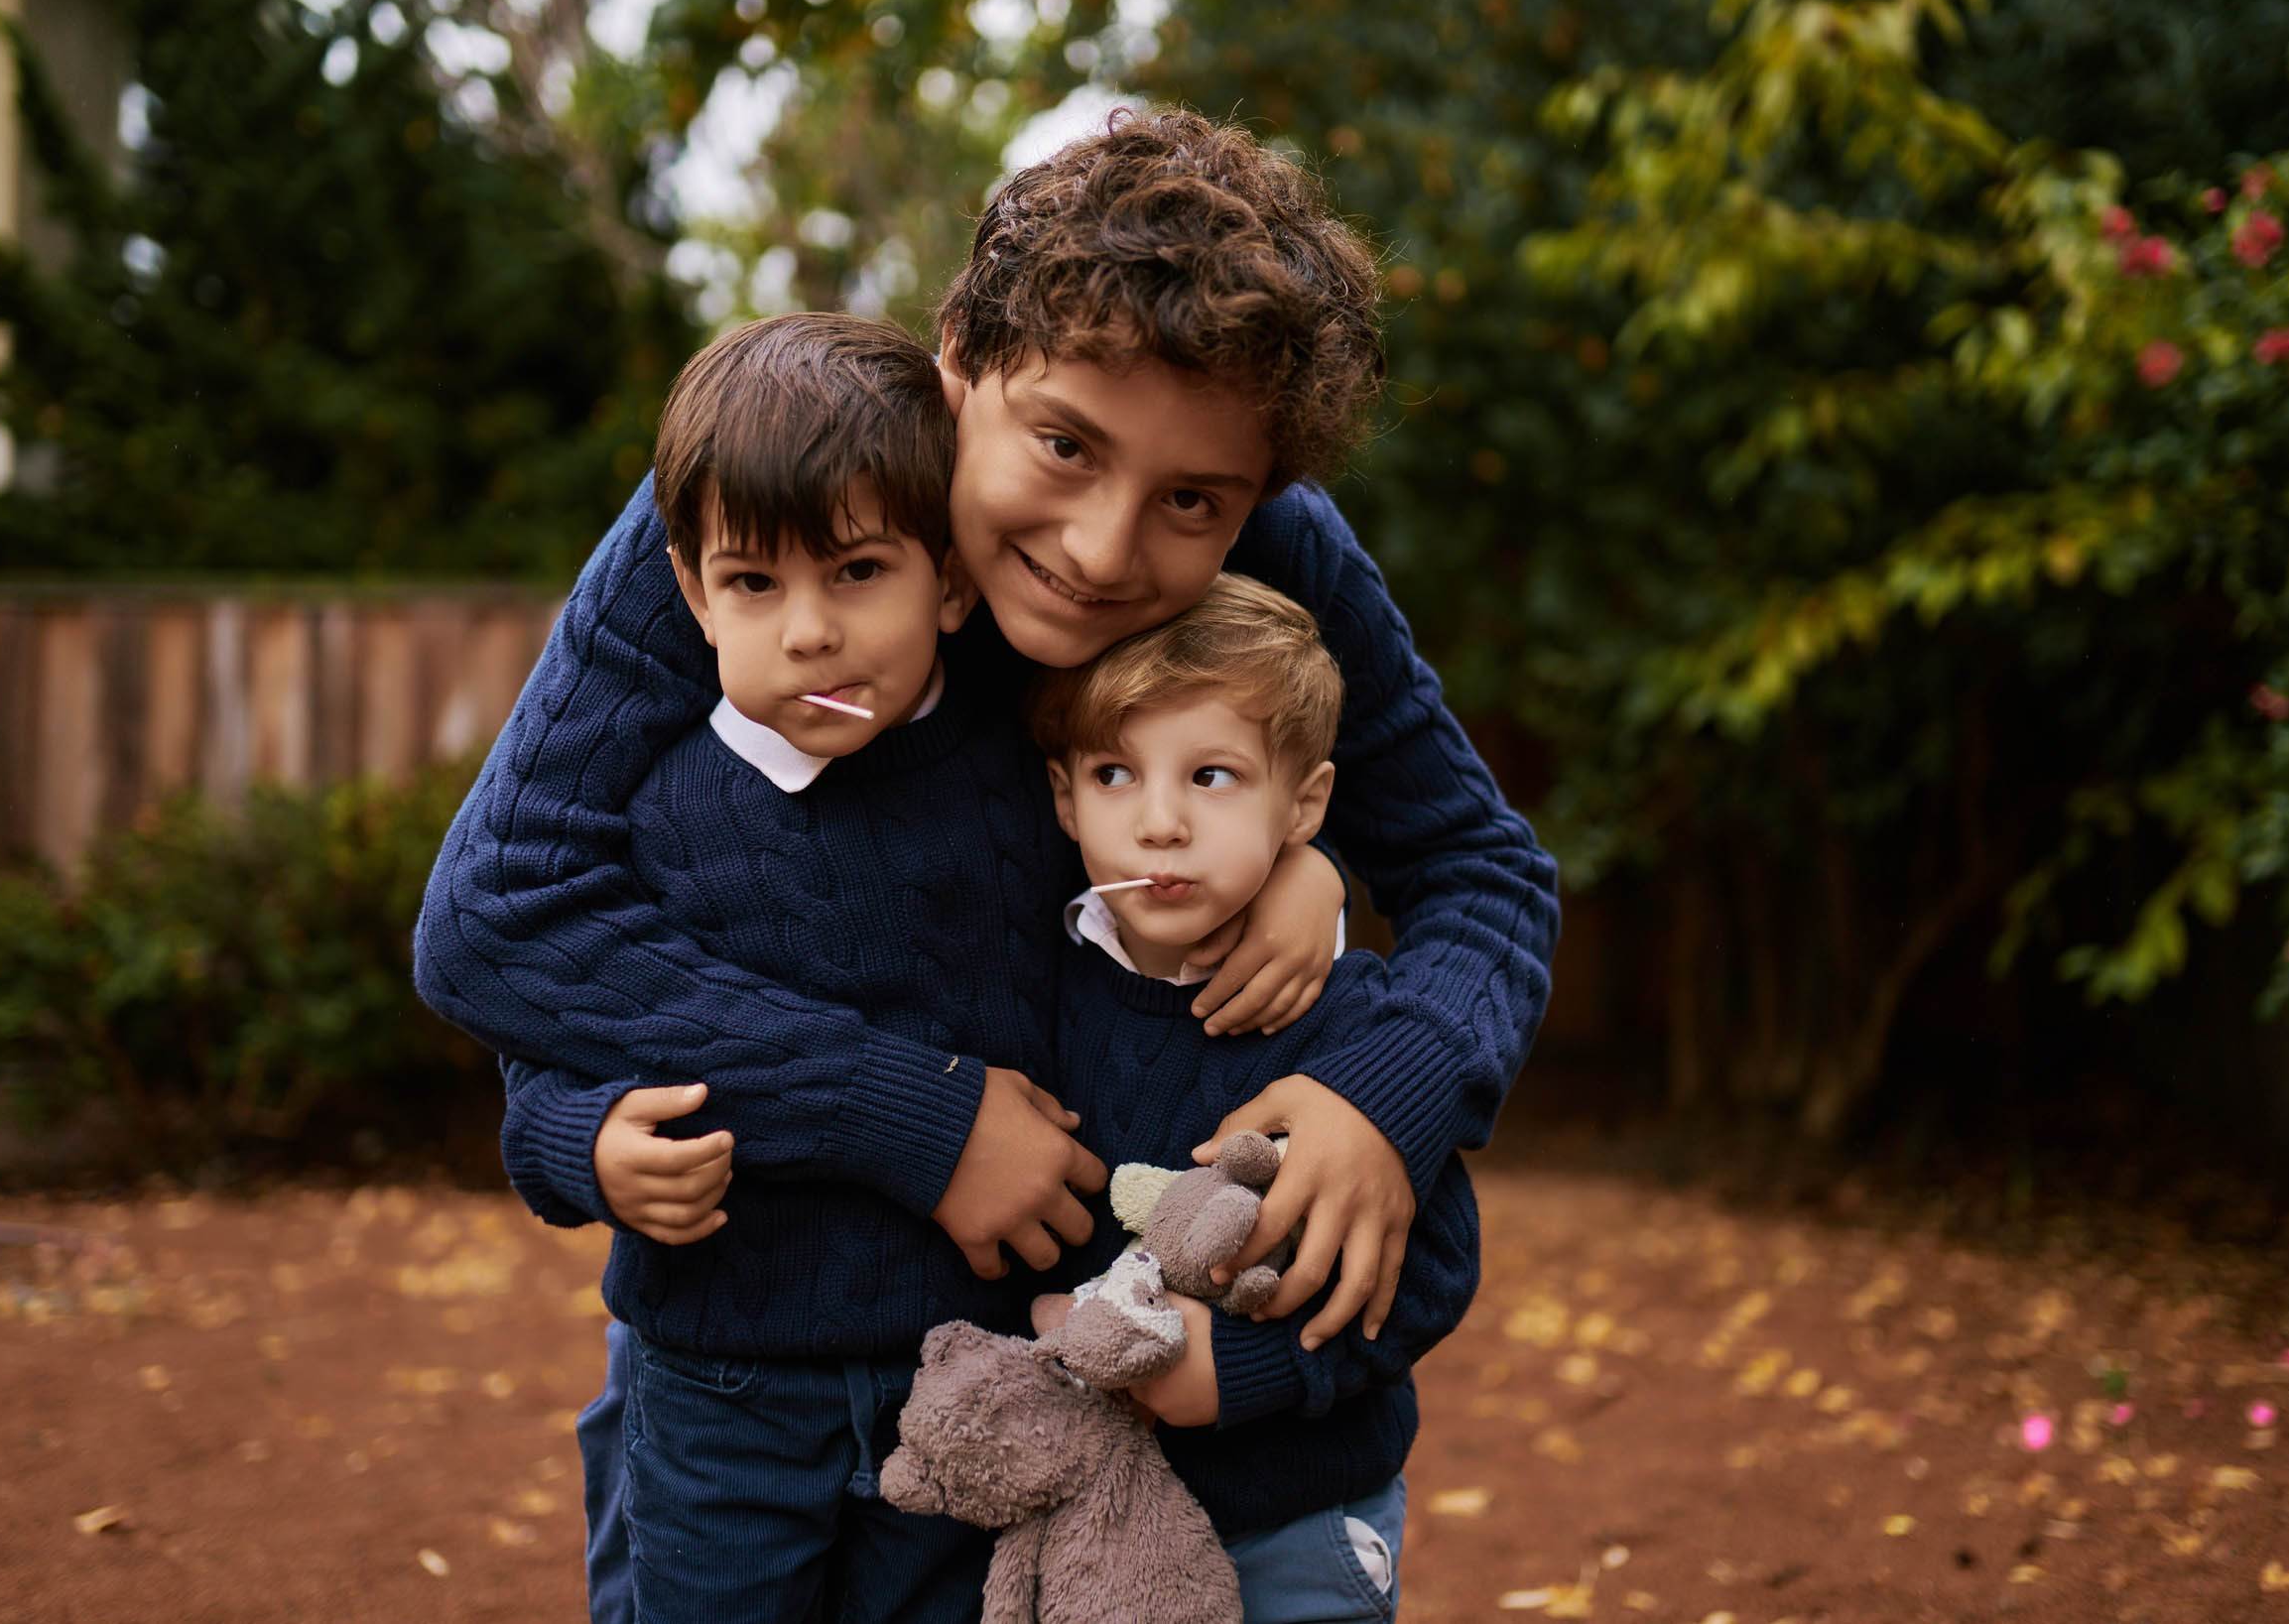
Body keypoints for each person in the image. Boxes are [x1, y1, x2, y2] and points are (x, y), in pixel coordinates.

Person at [418, 105, 1560, 1616]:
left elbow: (1483, 863)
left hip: (1023, 1388)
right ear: (959, 355)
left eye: (1191, 502)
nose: (1101, 544)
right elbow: (498, 917)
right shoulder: (764, 514)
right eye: (1064, 444)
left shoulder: (1283, 552)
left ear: (1260, 496)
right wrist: (917, 1116)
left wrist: (1385, 1077)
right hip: (759, 1349)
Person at [480, 310, 1116, 1622]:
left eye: (858, 572)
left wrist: (1309, 887)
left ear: (950, 580)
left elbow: (1143, 930)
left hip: (969, 1374)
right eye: (754, 583)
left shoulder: (1020, 779)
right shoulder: (648, 815)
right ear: (691, 589)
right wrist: (583, 1142)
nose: (810, 631)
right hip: (720, 1383)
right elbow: (549, 1052)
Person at [1025, 573, 1482, 1623]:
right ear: (1063, 798)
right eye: (1113, 774)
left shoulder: (1355, 1029)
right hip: (1092, 1524)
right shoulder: (1031, 996)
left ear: (1306, 803)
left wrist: (1239, 1369)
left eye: (1213, 776)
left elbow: (1434, 1269)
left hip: (1299, 1518)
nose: (1160, 823)